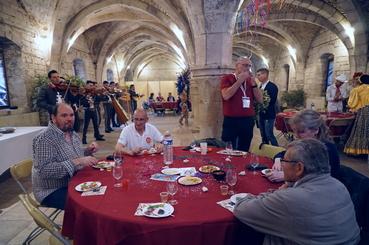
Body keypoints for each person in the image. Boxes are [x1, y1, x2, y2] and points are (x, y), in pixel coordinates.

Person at [234, 138, 360, 245]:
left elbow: (241, 209)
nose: (282, 165)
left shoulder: (292, 198)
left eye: (285, 161)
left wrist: (279, 191)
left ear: (299, 168)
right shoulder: (339, 186)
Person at [32, 103, 99, 210]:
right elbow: (44, 171)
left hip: (74, 182)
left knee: (101, 190)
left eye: (72, 115)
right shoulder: (45, 139)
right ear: (53, 118)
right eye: (64, 115)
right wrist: (77, 161)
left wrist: (87, 151)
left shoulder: (72, 133)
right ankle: (80, 226)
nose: (69, 119)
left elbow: (76, 155)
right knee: (89, 204)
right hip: (52, 190)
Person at [267, 109, 340, 182]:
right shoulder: (304, 143)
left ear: (316, 130)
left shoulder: (327, 149)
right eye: (294, 131)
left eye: (301, 132)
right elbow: (283, 154)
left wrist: (285, 176)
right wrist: (278, 160)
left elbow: (322, 178)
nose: (296, 136)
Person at [220, 57, 263, 151]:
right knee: (229, 148)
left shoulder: (250, 80)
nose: (247, 68)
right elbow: (226, 96)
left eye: (249, 66)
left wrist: (254, 84)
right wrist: (239, 81)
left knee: (244, 148)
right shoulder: (227, 78)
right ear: (236, 66)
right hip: (231, 120)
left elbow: (260, 100)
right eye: (244, 65)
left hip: (247, 120)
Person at [344, 74, 369, 155]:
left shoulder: (357, 90)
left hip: (364, 111)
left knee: (360, 130)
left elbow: (352, 103)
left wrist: (349, 106)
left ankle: (358, 150)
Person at [256, 68, 279, 146]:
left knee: (269, 134)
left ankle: (277, 151)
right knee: (263, 135)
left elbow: (272, 101)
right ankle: (266, 151)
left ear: (265, 74)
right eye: (257, 75)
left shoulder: (272, 86)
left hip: (269, 115)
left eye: (259, 75)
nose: (258, 77)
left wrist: (262, 102)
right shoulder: (260, 86)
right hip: (261, 114)